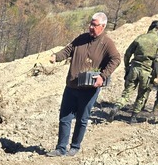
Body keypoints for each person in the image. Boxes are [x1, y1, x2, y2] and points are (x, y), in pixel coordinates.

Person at [45, 12, 121, 157]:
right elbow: (68, 50)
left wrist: (103, 76)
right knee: (65, 117)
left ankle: (75, 147)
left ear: (103, 26)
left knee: (82, 118)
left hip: (88, 89)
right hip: (72, 85)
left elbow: (116, 59)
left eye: (94, 25)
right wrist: (56, 56)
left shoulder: (107, 43)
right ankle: (61, 148)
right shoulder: (81, 38)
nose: (91, 27)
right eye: (90, 23)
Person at [112, 20, 158, 120]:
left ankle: (117, 106)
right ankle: (133, 117)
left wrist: (127, 67)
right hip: (147, 72)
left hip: (134, 68)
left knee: (127, 92)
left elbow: (127, 53)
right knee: (142, 95)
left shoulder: (140, 37)